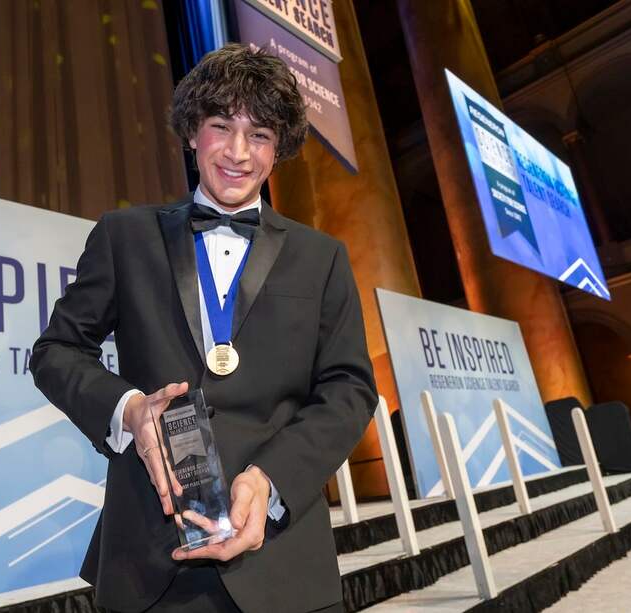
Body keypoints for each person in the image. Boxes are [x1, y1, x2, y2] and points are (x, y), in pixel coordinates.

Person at [31, 43, 377, 613]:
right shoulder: (124, 237)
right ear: (192, 132)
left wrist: (270, 479)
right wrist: (128, 409)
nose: (239, 153)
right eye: (222, 126)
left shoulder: (323, 258)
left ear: (278, 150)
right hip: (148, 561)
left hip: (283, 558)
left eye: (260, 135)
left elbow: (349, 388)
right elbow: (57, 351)